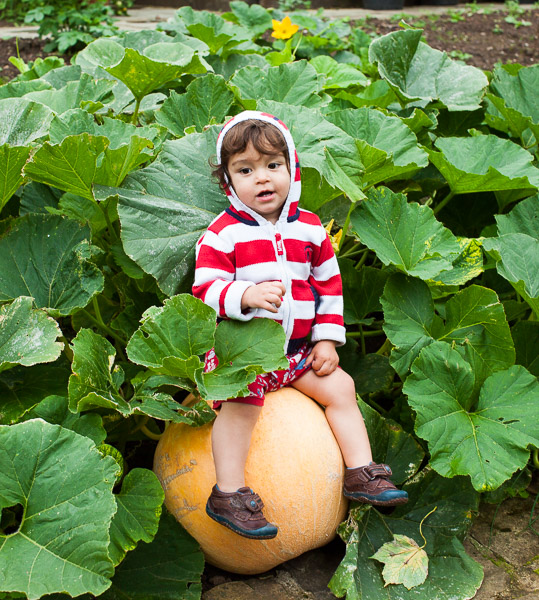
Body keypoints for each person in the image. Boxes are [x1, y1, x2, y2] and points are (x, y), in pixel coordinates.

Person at [192, 110, 408, 540]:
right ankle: (228, 493)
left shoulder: (310, 229)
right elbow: (204, 288)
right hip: (244, 355)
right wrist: (243, 296)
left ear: (293, 169)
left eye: (273, 165)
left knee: (341, 388)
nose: (263, 178)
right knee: (240, 409)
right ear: (228, 183)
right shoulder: (222, 234)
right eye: (246, 170)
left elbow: (329, 286)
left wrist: (326, 340)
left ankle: (361, 471)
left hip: (296, 354)